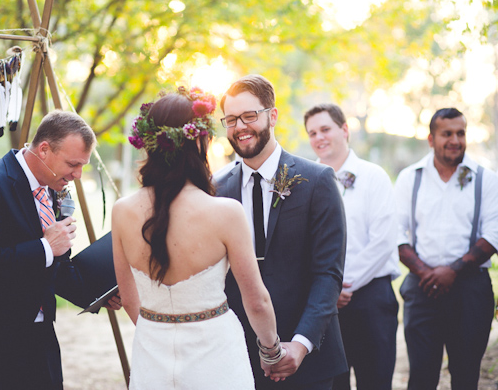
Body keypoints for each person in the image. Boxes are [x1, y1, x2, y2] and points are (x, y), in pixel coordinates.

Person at [113, 87, 282, 389]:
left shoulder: (122, 211)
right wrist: (271, 351)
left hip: (151, 349)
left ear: (149, 143)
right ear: (201, 140)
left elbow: (128, 298)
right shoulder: (227, 212)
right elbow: (256, 301)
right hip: (215, 352)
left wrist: (161, 330)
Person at [0, 110, 116, 390]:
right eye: (73, 164)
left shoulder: (53, 191)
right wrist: (46, 246)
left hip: (40, 341)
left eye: (82, 166)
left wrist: (96, 294)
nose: (78, 175)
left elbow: (55, 266)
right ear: (44, 149)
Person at [216, 74, 348, 390]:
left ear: (272, 115)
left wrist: (299, 345)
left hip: (309, 356)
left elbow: (328, 274)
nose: (240, 127)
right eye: (232, 119)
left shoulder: (317, 181)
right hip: (238, 359)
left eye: (250, 116)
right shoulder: (216, 190)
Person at [395, 107, 498, 389]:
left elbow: (493, 234)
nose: (455, 140)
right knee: (422, 376)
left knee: (466, 375)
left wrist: (452, 271)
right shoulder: (409, 178)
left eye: (461, 133)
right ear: (431, 139)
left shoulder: (485, 179)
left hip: (471, 289)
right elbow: (395, 233)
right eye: (447, 134)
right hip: (422, 287)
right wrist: (426, 272)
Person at [304, 104, 401, 390]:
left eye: (325, 129)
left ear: (344, 130)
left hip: (372, 297)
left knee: (376, 381)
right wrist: (327, 291)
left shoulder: (374, 176)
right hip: (324, 303)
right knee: (334, 383)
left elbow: (382, 242)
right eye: (312, 133)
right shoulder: (304, 181)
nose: (319, 137)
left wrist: (343, 285)